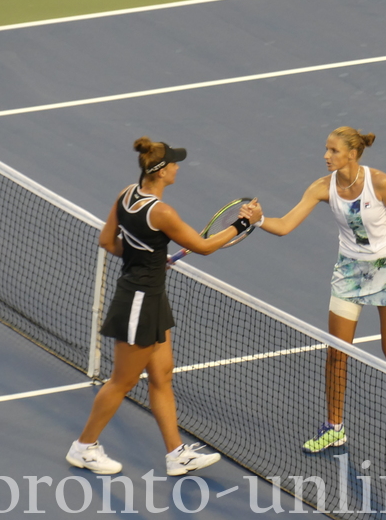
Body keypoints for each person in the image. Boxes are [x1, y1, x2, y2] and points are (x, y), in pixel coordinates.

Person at [66, 136, 262, 475]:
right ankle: (84, 447)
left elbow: (107, 241)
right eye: (173, 163)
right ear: (160, 172)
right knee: (122, 382)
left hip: (149, 297)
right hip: (139, 302)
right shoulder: (163, 213)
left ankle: (176, 454)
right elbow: (203, 246)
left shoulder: (126, 195)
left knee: (161, 374)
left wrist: (147, 259)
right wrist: (243, 223)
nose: (177, 167)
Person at [257, 126, 386, 452]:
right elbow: (284, 226)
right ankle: (334, 426)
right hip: (350, 273)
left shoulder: (379, 182)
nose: (326, 156)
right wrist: (258, 220)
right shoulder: (321, 188)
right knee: (336, 353)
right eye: (326, 150)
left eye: (333, 151)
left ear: (352, 154)